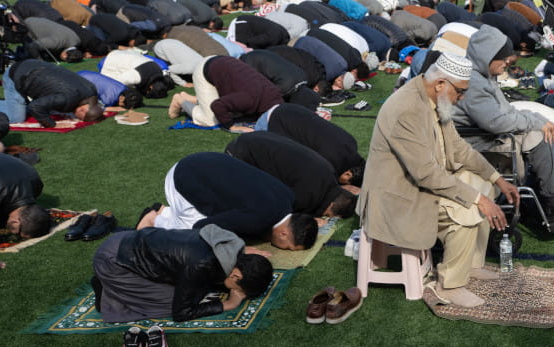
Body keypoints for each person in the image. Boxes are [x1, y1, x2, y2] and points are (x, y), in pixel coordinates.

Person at [358, 54, 516, 308]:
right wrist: (478, 199)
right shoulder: (407, 108)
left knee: (482, 185)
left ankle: (470, 265)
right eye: (461, 91)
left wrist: (496, 179)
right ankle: (451, 285)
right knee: (469, 207)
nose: (462, 98)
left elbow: (459, 149)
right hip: (399, 197)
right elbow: (426, 173)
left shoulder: (435, 99)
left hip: (422, 185)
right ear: (441, 83)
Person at [458, 26, 554, 225]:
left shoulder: (482, 76)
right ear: (488, 56)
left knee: (537, 135)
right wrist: (535, 121)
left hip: (486, 136)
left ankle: (551, 201)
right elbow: (497, 122)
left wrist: (537, 119)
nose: (507, 65)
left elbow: (506, 112)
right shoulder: (474, 83)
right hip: (477, 143)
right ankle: (551, 201)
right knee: (536, 137)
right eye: (505, 60)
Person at [91, 223, 275, 324]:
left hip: (128, 240)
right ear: (236, 276)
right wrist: (228, 304)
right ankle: (107, 292)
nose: (239, 293)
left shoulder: (231, 245)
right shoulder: (201, 265)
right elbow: (181, 313)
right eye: (242, 290)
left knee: (195, 288)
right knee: (176, 301)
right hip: (114, 260)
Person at [144, 151, 313, 250]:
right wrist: (238, 250)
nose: (285, 250)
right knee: (194, 239)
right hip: (181, 178)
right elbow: (201, 228)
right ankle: (154, 219)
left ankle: (165, 211)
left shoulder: (288, 197)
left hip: (202, 160)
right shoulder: (258, 220)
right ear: (284, 234)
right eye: (288, 247)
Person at [225, 131, 356, 223]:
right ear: (331, 204)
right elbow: (280, 212)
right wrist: (306, 218)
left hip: (254, 138)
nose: (323, 216)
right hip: (240, 153)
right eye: (327, 215)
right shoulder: (309, 195)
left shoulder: (329, 173)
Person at [0, 59, 105, 125]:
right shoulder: (66, 98)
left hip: (32, 66)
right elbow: (34, 106)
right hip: (15, 76)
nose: (78, 118)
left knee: (26, 108)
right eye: (81, 117)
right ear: (83, 109)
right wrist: (52, 124)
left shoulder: (91, 90)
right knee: (16, 119)